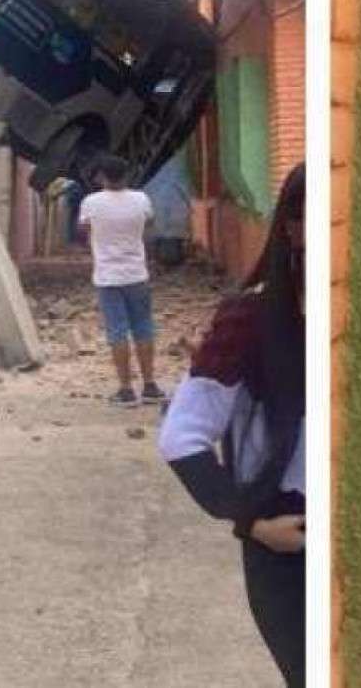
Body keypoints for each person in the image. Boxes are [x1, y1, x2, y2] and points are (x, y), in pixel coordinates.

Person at [158, 165, 307, 685]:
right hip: (286, 537)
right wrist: (248, 520)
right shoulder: (249, 321)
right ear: (292, 226)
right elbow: (182, 436)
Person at [76, 155, 162, 406]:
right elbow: (150, 224)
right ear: (126, 175)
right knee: (144, 328)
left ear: (102, 176)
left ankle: (125, 389)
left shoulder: (91, 202)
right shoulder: (141, 199)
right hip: (137, 274)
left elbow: (82, 231)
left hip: (107, 277)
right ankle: (150, 386)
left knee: (117, 332)